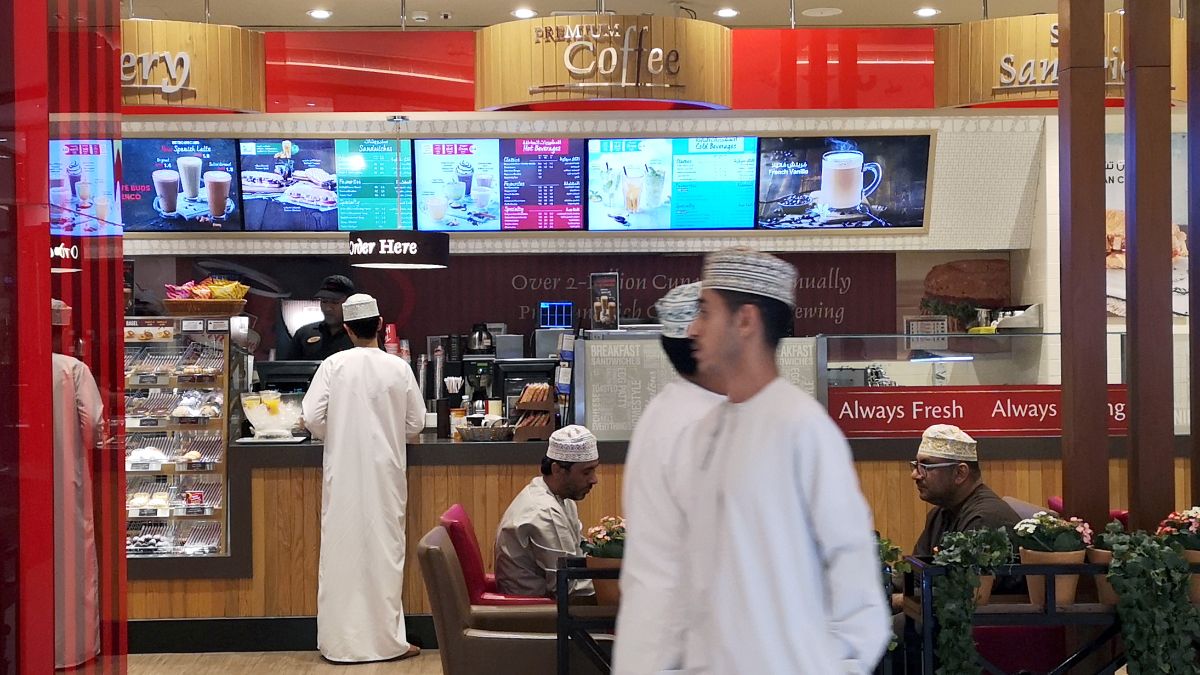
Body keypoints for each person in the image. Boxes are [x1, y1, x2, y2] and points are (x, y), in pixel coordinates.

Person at [680, 248, 889, 674]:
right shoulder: (705, 433)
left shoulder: (804, 429)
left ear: (745, 321)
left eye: (705, 311)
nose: (692, 328)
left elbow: (857, 589)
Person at [301, 293, 427, 664]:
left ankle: (339, 645)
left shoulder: (333, 365)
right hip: (386, 475)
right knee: (385, 555)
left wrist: (337, 431)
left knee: (341, 554)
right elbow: (416, 424)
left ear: (345, 329)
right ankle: (388, 642)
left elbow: (311, 417)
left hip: (342, 475)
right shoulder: (398, 368)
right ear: (379, 323)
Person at [612, 282, 725, 675]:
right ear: (698, 336)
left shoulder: (675, 410)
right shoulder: (703, 426)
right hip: (684, 645)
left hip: (663, 638)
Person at [51, 299, 102, 669]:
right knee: (71, 564)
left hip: (22, 483)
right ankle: (73, 650)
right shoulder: (73, 369)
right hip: (67, 478)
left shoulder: (14, 363)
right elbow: (94, 426)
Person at [494, 425, 599, 599]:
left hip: (551, 601)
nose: (594, 480)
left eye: (594, 470)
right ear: (557, 469)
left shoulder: (558, 496)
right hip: (535, 613)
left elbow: (578, 558)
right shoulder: (544, 511)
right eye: (586, 472)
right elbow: (568, 587)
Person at [911, 424, 1020, 557]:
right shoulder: (939, 514)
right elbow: (917, 571)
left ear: (960, 473)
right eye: (916, 465)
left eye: (926, 466)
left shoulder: (985, 521)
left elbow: (973, 578)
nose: (915, 475)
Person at [287, 274, 356, 360]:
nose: (328, 308)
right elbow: (289, 370)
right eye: (324, 301)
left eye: (335, 302)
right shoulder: (304, 334)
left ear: (350, 303)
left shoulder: (360, 335)